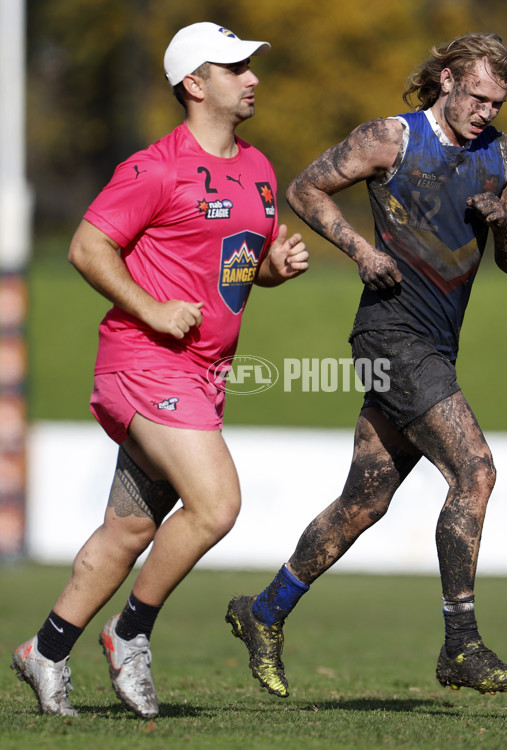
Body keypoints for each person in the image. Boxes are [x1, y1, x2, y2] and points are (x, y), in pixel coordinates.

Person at [11, 22, 308, 719]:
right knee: (216, 505)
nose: (251, 77)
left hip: (202, 375)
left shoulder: (259, 168)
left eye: (251, 65)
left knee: (130, 530)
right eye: (234, 66)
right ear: (194, 84)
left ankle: (45, 650)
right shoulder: (155, 167)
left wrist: (274, 270)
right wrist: (150, 308)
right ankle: (130, 634)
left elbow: (240, 267)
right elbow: (88, 249)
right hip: (143, 363)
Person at [226, 32, 507, 698]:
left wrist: (503, 225)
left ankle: (264, 609)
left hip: (432, 346)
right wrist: (360, 252)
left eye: (497, 102)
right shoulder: (391, 138)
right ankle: (462, 644)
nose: (487, 111)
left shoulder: (498, 154)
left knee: (364, 502)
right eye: (478, 96)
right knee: (475, 468)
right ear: (448, 79)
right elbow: (305, 188)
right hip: (390, 337)